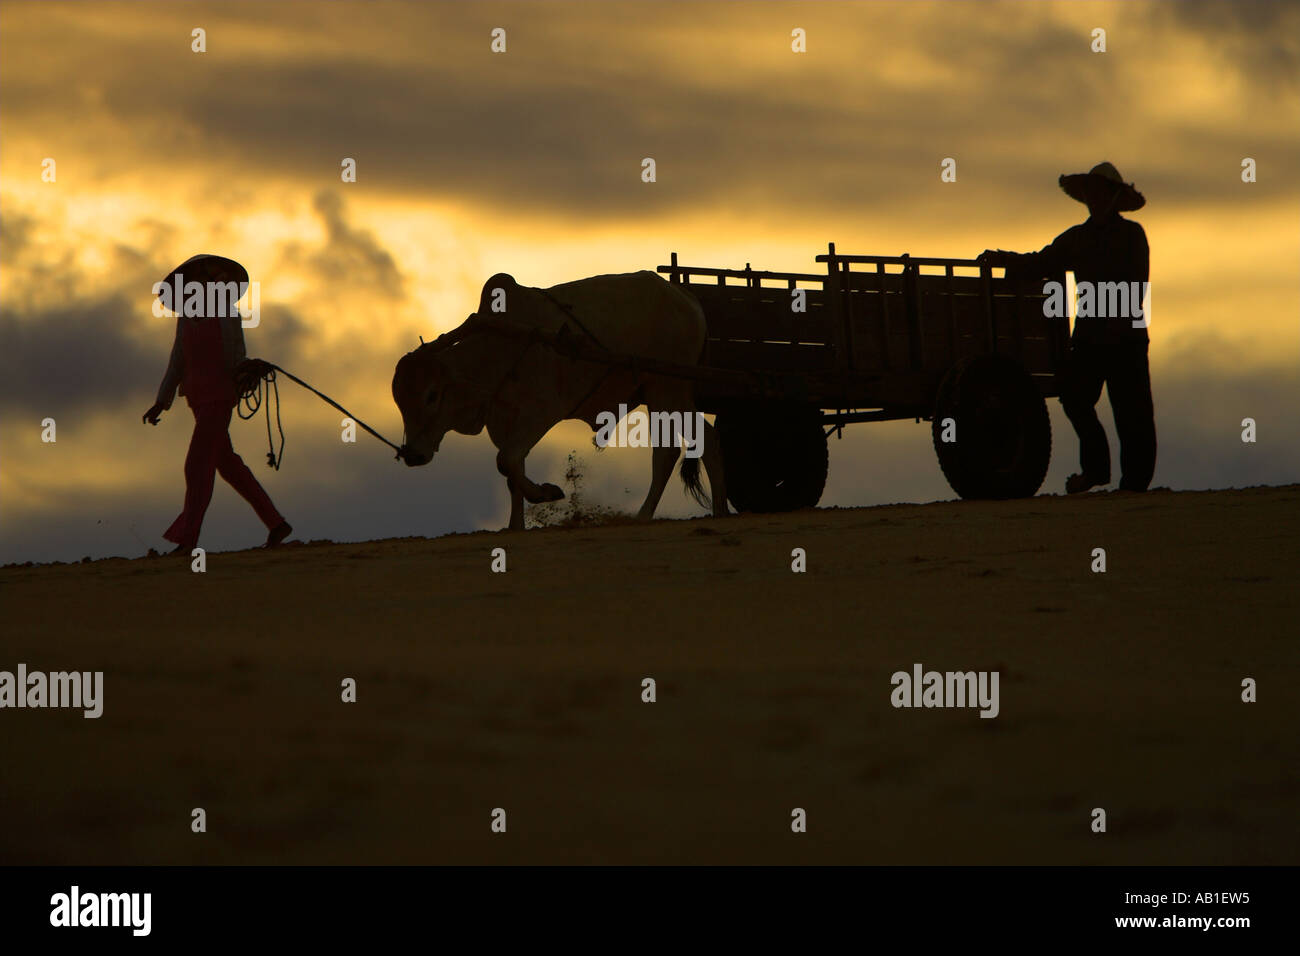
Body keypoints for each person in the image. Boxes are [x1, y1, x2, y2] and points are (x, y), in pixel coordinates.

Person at [981, 162, 1155, 493]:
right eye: (1090, 191)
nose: (1094, 197)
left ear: (1114, 196)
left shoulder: (1132, 235)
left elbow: (1136, 284)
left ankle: (1134, 485)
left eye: (1100, 190)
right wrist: (1005, 259)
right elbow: (1040, 261)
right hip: (1092, 338)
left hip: (1125, 339)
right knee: (1076, 399)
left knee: (1132, 413)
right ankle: (1097, 471)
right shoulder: (1078, 238)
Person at [142, 254, 292, 553]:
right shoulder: (185, 319)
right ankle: (276, 523)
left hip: (221, 397)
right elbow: (177, 362)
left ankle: (188, 540)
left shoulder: (227, 314)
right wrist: (162, 401)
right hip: (197, 399)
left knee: (197, 464)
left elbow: (237, 356)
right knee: (227, 465)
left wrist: (248, 370)